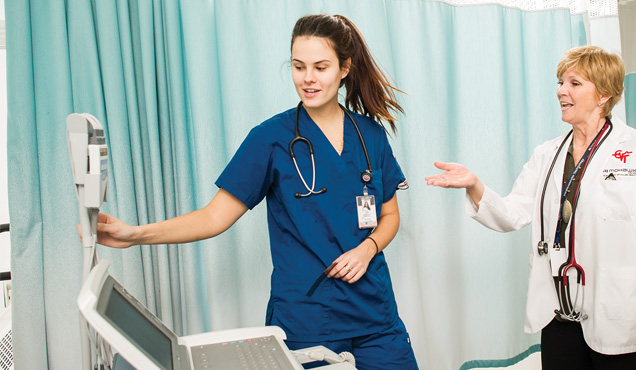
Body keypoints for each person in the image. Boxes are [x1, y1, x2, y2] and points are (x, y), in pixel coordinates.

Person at [94, 14, 417, 370]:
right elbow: (214, 217)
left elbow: (389, 215)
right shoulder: (270, 139)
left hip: (375, 317)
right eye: (298, 66)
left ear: (344, 69)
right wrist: (134, 235)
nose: (308, 78)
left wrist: (367, 248)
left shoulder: (370, 135)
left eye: (320, 67)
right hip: (308, 320)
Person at [425, 45, 636, 370]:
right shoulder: (547, 155)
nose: (561, 91)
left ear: (603, 94)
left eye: (574, 83)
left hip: (619, 321)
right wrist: (475, 186)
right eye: (560, 82)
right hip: (559, 316)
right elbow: (512, 213)